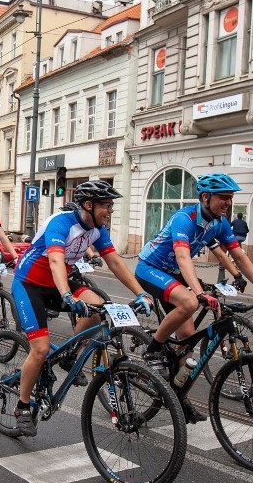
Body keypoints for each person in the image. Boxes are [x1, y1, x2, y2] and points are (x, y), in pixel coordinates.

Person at [10, 181, 152, 436]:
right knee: (40, 349)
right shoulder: (61, 223)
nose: (109, 211)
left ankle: (71, 354)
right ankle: (22, 406)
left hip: (60, 281)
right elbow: (54, 260)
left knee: (100, 308)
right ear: (89, 205)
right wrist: (67, 295)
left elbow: (116, 263)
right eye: (106, 206)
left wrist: (141, 292)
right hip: (30, 284)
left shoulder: (97, 229)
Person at [136, 173, 253, 423]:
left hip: (174, 273)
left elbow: (240, 257)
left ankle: (178, 398)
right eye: (223, 197)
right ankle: (153, 349)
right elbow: (183, 258)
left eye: (230, 198)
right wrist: (198, 293)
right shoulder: (184, 218)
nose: (228, 203)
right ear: (205, 197)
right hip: (151, 268)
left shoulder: (220, 223)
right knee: (190, 302)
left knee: (187, 344)